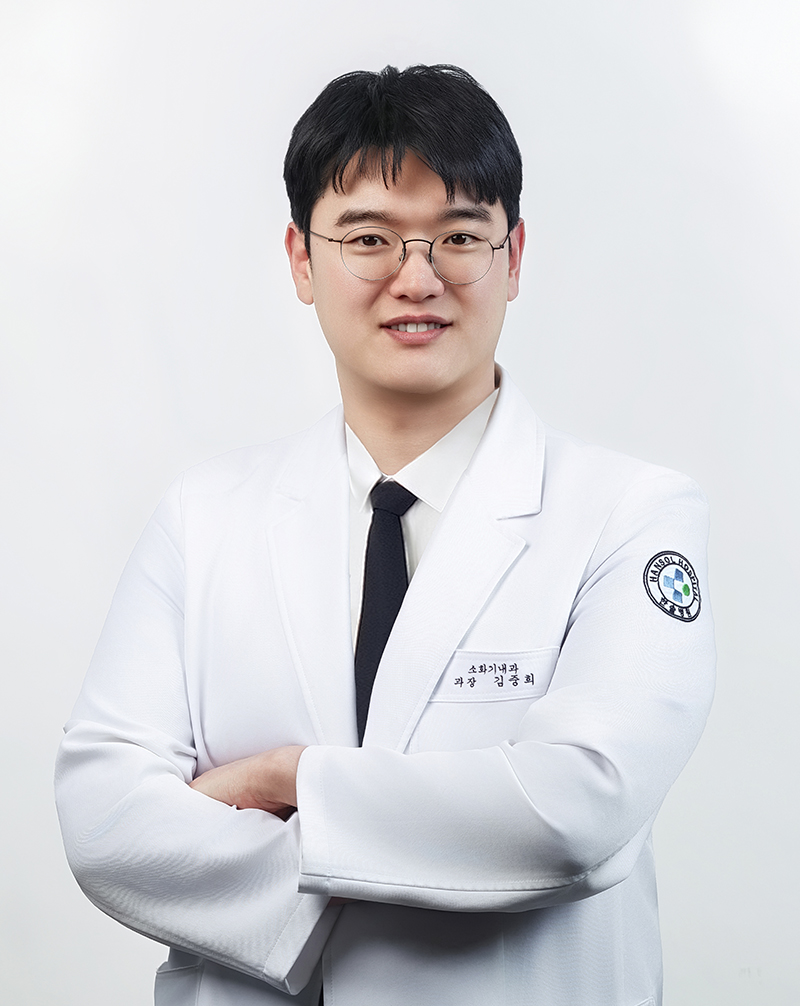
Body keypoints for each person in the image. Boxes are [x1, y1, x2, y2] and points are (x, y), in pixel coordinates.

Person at [55, 64, 715, 1006]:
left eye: (460, 237)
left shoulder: (631, 516)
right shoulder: (204, 520)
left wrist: (293, 781)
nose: (418, 278)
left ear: (514, 257)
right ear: (301, 258)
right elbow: (104, 824)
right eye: (369, 238)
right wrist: (454, 845)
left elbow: (578, 813)